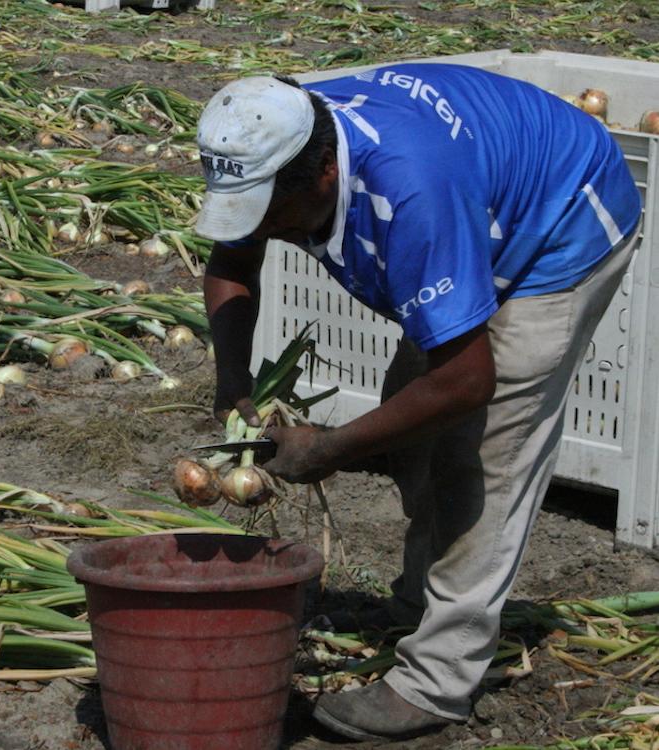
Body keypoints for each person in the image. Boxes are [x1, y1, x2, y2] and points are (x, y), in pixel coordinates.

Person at [194, 65, 642, 743]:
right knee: (410, 424)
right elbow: (231, 264)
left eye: (267, 214)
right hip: (475, 201)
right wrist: (235, 385)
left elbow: (468, 382)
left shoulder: (409, 192)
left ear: (321, 176)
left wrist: (331, 448)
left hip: (562, 216)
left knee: (483, 454)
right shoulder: (277, 137)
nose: (259, 229)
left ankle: (438, 680)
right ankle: (418, 600)